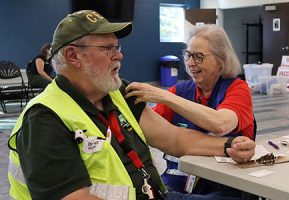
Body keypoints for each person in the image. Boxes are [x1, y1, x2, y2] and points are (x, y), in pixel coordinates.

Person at [8, 10, 255, 200]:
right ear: (73, 56)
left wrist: (229, 145)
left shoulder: (117, 92)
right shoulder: (44, 120)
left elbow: (174, 138)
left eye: (117, 47)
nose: (119, 55)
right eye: (108, 48)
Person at [125, 24, 256, 199]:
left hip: (224, 188)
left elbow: (220, 123)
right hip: (176, 185)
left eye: (199, 57)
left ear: (221, 61)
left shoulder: (237, 89)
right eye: (188, 55)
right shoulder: (180, 91)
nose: (191, 63)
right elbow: (147, 127)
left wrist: (164, 96)